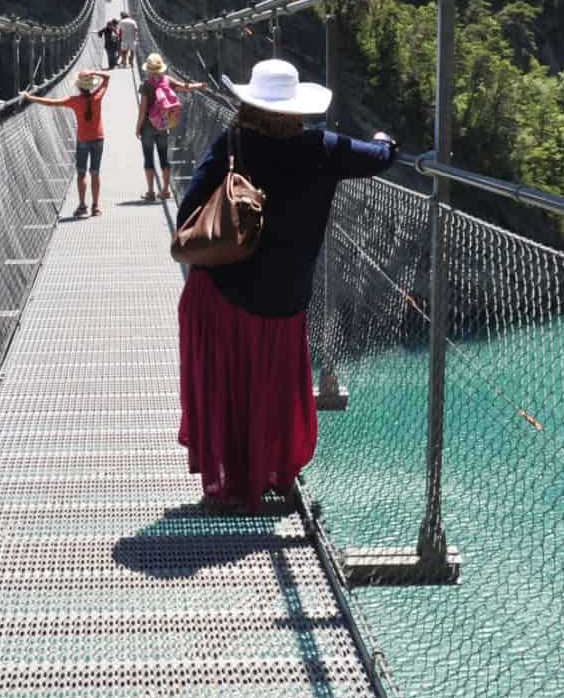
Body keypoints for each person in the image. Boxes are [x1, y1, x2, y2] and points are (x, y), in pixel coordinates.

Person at [174, 59, 396, 505]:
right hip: (284, 298)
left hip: (221, 292)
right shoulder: (325, 149)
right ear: (297, 107)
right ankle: (273, 475)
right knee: (271, 391)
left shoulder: (232, 143)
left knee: (226, 390)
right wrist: (384, 140)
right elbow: (383, 157)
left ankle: (229, 486)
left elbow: (187, 216)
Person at [23, 70, 113, 218]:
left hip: (83, 140)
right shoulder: (98, 96)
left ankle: (82, 206)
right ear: (91, 86)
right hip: (98, 138)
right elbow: (107, 77)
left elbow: (51, 103)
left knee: (81, 173)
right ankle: (96, 207)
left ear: (79, 87)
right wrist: (94, 72)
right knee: (95, 173)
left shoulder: (74, 101)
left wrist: (30, 98)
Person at [135, 53, 206, 202]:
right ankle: (166, 190)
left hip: (148, 127)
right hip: (163, 126)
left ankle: (150, 192)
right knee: (164, 159)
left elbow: (142, 110)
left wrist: (138, 127)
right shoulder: (167, 80)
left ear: (148, 69)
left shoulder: (146, 84)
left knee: (148, 159)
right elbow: (185, 87)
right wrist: (199, 85)